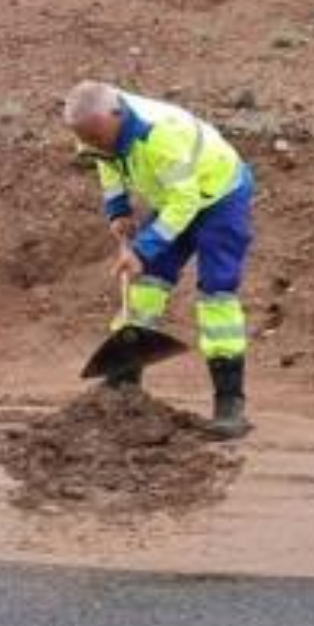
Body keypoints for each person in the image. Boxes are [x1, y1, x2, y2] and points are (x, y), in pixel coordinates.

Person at [63, 81, 256, 440]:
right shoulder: (96, 129)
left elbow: (186, 202)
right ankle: (122, 391)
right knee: (146, 285)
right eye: (85, 139)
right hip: (175, 197)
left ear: (116, 115)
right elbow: (106, 160)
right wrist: (117, 208)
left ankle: (230, 404)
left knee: (217, 292)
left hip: (219, 198)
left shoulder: (160, 135)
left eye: (96, 136)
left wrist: (142, 249)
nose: (91, 144)